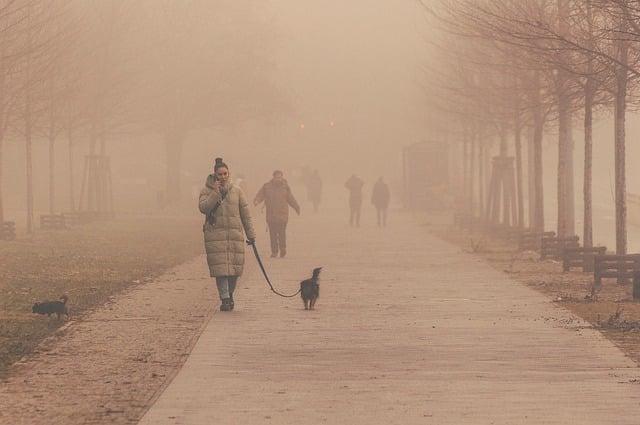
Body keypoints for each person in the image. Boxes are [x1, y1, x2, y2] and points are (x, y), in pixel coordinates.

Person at [199, 157, 256, 312]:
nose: (223, 177)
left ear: (228, 174)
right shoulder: (206, 191)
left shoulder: (237, 191)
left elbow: (245, 214)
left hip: (234, 235)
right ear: (215, 175)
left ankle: (230, 293)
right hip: (215, 235)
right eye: (220, 174)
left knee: (234, 271)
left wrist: (251, 234)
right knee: (221, 270)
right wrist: (215, 194)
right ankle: (224, 298)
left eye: (225, 174)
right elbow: (203, 208)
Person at [254, 170, 300, 258]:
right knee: (273, 234)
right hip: (271, 215)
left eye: (280, 177)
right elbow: (260, 195)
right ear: (273, 177)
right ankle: (274, 251)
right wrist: (257, 201)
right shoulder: (267, 186)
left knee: (282, 233)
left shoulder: (285, 187)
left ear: (282, 177)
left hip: (282, 215)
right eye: (277, 177)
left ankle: (283, 248)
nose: (278, 179)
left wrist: (296, 207)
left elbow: (290, 198)